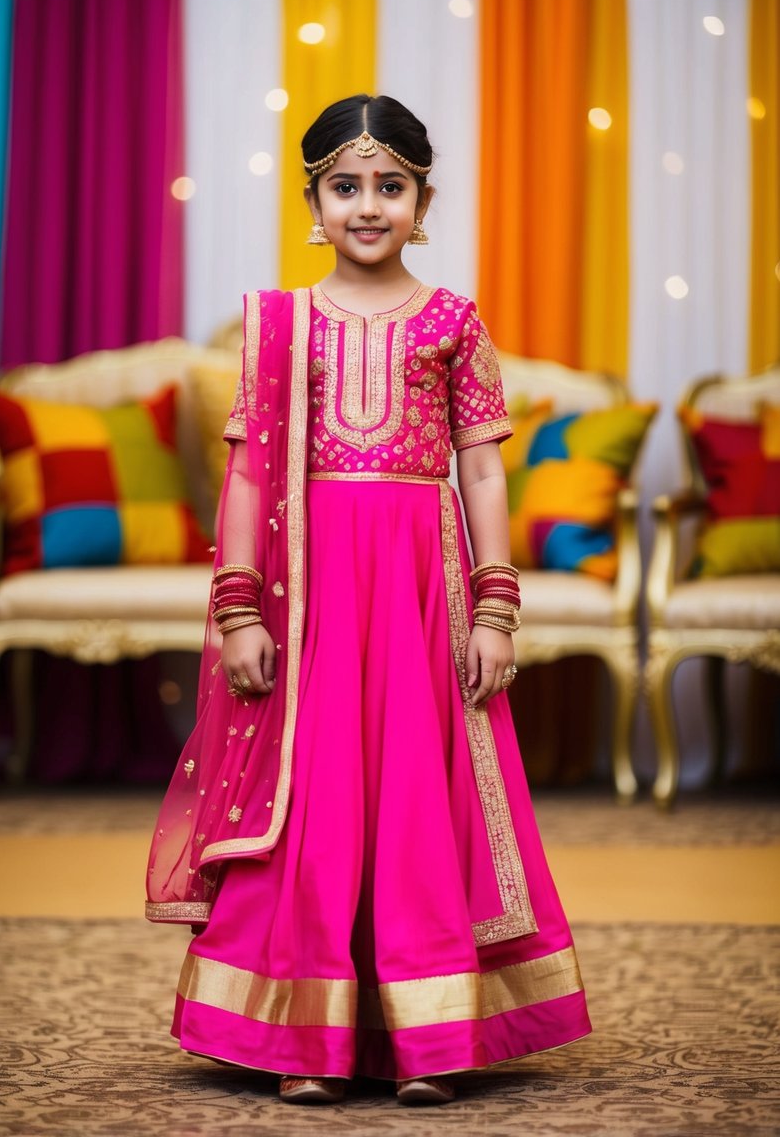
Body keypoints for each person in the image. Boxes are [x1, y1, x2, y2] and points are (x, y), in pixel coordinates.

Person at [145, 94, 591, 1106]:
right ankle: (307, 1033)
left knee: (413, 798)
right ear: (312, 199)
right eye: (346, 185)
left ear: (422, 199)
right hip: (310, 598)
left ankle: (428, 1034)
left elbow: (481, 473)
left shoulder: (453, 323)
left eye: (390, 185)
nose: (367, 204)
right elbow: (252, 477)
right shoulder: (278, 325)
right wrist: (239, 609)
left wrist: (493, 608)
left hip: (419, 597)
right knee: (316, 796)